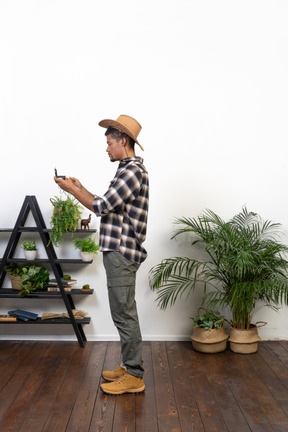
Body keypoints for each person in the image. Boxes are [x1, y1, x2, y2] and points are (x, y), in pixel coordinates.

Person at [54, 114, 149, 395]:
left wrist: (72, 191)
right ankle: (130, 366)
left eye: (109, 143)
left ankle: (134, 374)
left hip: (121, 251)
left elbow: (102, 206)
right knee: (122, 311)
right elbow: (108, 204)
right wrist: (80, 187)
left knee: (124, 313)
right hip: (117, 250)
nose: (106, 148)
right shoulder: (126, 169)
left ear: (123, 141)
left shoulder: (132, 171)